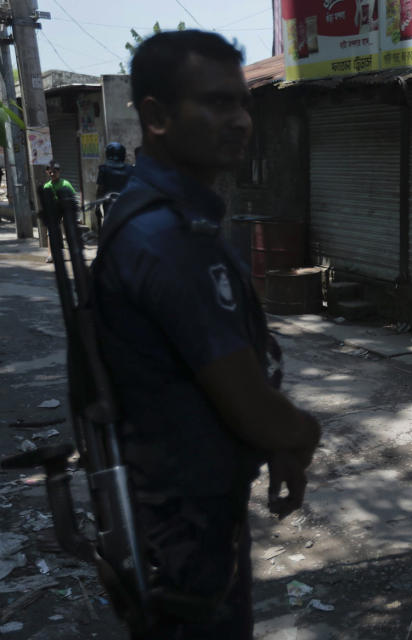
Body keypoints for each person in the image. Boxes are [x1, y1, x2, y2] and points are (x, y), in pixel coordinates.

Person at [91, 31, 320, 639]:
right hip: (180, 527)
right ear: (157, 116)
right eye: (217, 104)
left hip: (188, 513)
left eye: (242, 103)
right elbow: (246, 401)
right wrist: (298, 433)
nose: (240, 120)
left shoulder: (180, 218)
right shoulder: (164, 238)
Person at [41, 162, 77, 263]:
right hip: (53, 210)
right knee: (51, 231)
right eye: (50, 172)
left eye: (54, 172)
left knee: (69, 230)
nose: (52, 174)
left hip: (66, 209)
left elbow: (73, 198)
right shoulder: (47, 186)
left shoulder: (66, 184)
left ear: (59, 172)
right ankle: (50, 254)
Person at [94, 141, 135, 231]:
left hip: (109, 207)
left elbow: (100, 189)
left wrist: (97, 206)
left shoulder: (104, 169)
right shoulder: (130, 169)